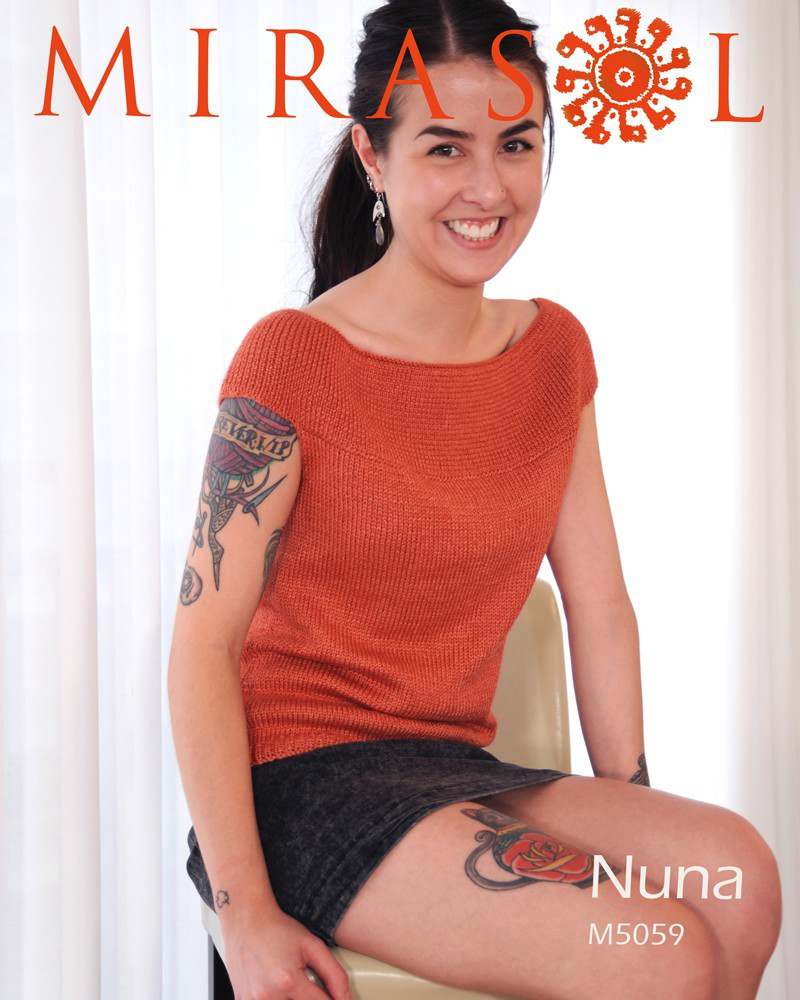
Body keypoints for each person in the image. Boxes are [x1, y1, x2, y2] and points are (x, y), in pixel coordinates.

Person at [168, 2, 782, 998]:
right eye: (445, 147)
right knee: (655, 948)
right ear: (372, 155)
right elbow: (202, 644)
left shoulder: (552, 353)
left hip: (454, 766)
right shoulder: (292, 358)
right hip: (301, 781)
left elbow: (599, 603)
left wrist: (631, 811)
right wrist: (243, 914)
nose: (488, 188)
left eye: (517, 144)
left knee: (737, 881)